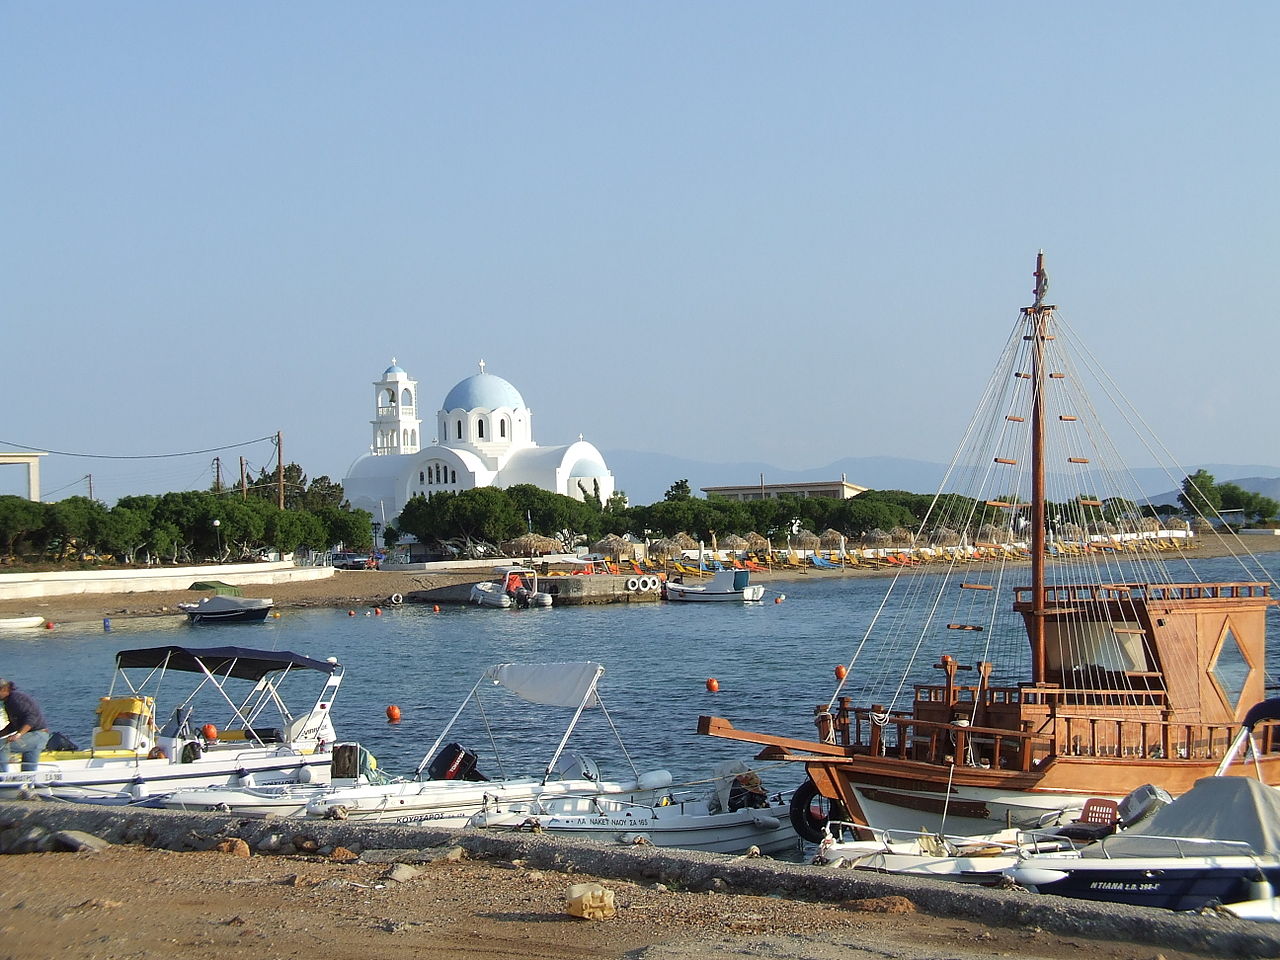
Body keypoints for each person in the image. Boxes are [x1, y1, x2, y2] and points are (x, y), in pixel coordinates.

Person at [0, 678, 50, 772]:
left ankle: (2, 778)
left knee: (1, 745)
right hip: (37, 736)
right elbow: (14, 725)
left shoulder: (16, 698)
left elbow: (31, 718)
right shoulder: (8, 702)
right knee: (28, 774)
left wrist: (19, 735)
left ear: (4, 689)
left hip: (36, 735)